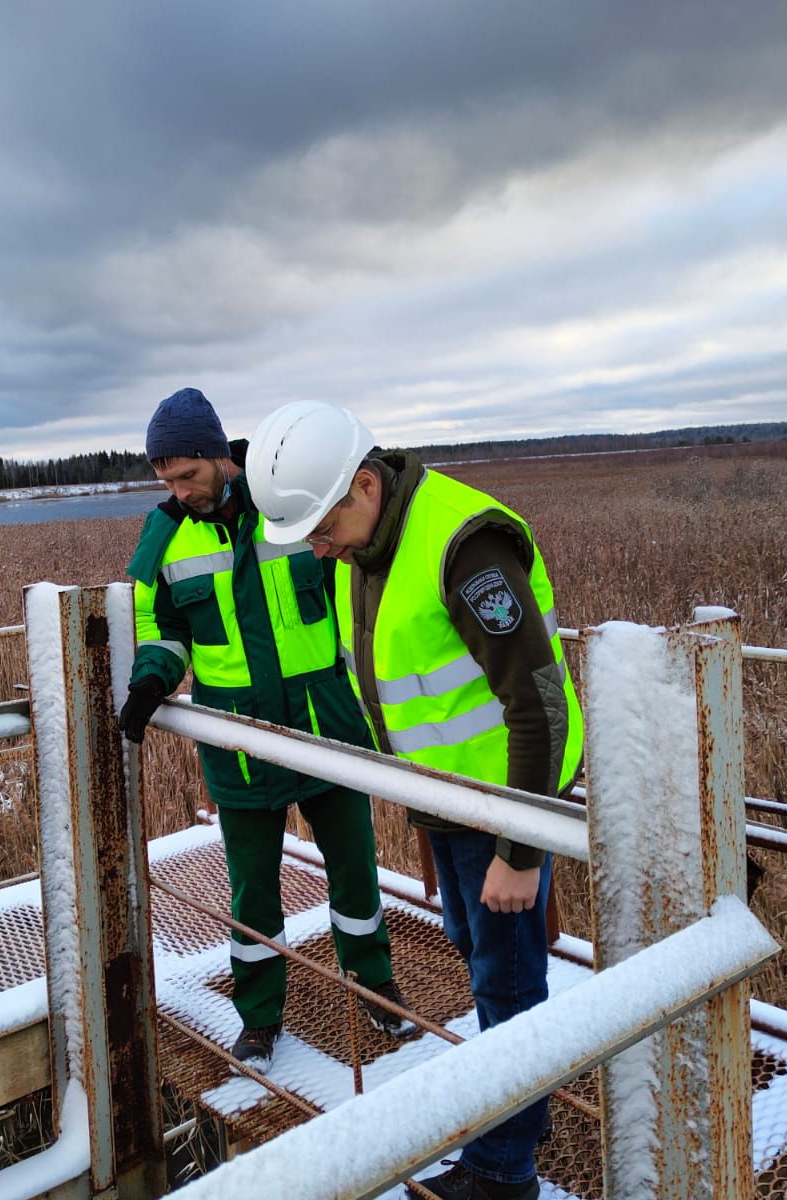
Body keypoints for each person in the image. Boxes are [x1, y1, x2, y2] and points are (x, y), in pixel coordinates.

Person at [248, 401, 583, 1200]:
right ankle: (517, 1120)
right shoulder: (369, 544)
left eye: (322, 528)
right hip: (450, 803)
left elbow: (539, 703)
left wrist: (520, 850)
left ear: (366, 484)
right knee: (483, 959)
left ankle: (504, 1173)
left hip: (500, 806)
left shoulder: (464, 547)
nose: (319, 549)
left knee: (507, 986)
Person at [119, 386, 414, 1071]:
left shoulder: (290, 500)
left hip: (325, 726)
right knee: (253, 891)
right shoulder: (163, 537)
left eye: (186, 475)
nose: (178, 490)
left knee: (355, 870)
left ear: (219, 456)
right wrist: (152, 681)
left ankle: (375, 986)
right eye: (165, 479)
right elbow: (158, 628)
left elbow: (357, 583)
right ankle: (259, 1017)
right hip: (238, 741)